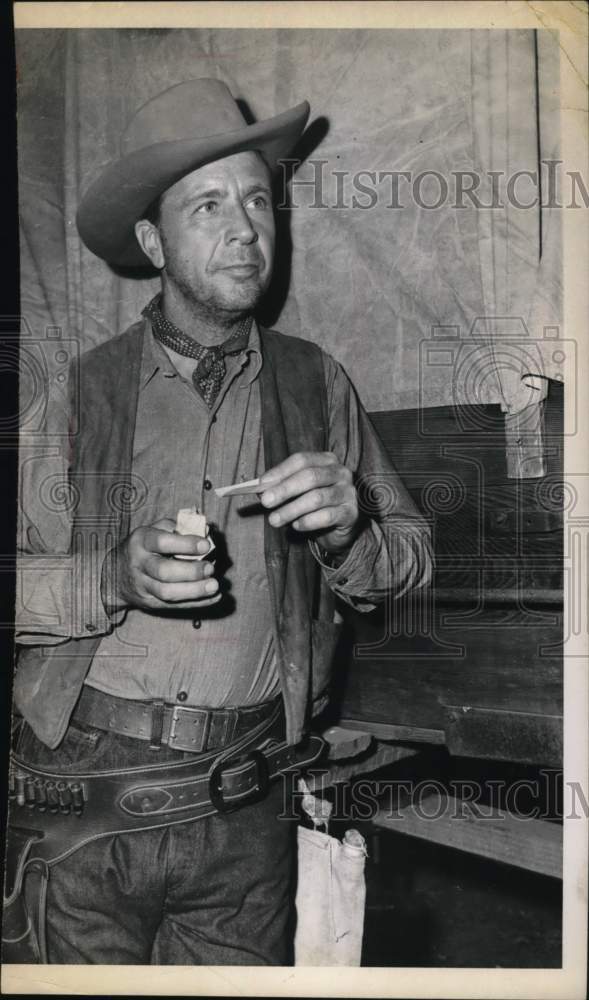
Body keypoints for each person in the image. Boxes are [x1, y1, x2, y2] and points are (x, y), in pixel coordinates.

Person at [6, 78, 433, 965]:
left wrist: (352, 532)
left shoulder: (318, 386)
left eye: (255, 199)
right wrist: (109, 577)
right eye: (208, 204)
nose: (245, 227)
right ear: (155, 242)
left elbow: (412, 562)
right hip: (87, 809)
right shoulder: (77, 395)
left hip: (247, 815)